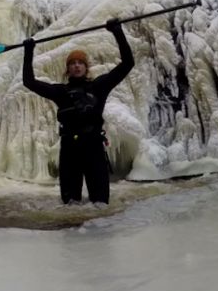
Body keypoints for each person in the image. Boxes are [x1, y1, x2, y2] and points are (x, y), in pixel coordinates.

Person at [22, 20, 134, 204]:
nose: (76, 66)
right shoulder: (60, 92)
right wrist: (29, 51)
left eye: (80, 62)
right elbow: (29, 82)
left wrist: (117, 32)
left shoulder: (99, 86)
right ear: (67, 69)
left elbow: (128, 63)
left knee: (100, 203)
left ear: (86, 67)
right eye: (72, 63)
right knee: (70, 204)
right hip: (69, 150)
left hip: (94, 147)